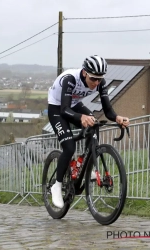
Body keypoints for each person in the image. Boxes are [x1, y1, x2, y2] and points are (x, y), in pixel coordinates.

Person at [47, 55, 130, 208]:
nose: (96, 83)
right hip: (57, 108)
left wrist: (117, 118)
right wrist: (81, 117)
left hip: (74, 104)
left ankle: (81, 165)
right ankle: (57, 186)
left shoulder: (100, 82)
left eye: (99, 79)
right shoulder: (70, 79)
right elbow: (64, 110)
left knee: (94, 123)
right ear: (85, 73)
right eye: (93, 79)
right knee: (69, 146)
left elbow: (108, 110)